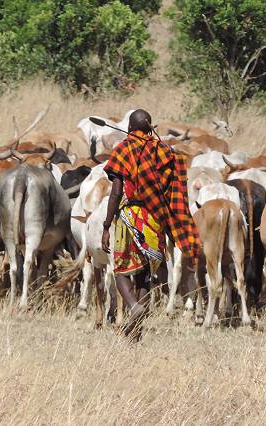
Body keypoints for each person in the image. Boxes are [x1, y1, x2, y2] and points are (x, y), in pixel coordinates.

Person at [101, 109, 201, 341]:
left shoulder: (123, 149)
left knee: (122, 271)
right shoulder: (166, 153)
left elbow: (116, 192)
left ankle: (133, 306)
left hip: (130, 217)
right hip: (155, 220)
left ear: (129, 128)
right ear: (150, 127)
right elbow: (173, 191)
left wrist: (107, 225)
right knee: (146, 275)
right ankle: (135, 332)